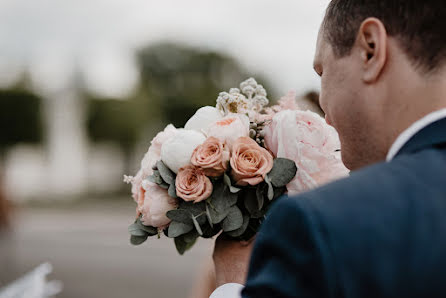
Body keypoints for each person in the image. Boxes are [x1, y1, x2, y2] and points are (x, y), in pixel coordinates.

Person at [210, 0, 446, 297]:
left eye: (322, 72)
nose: (323, 104)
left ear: (370, 50)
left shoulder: (319, 224)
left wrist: (232, 285)